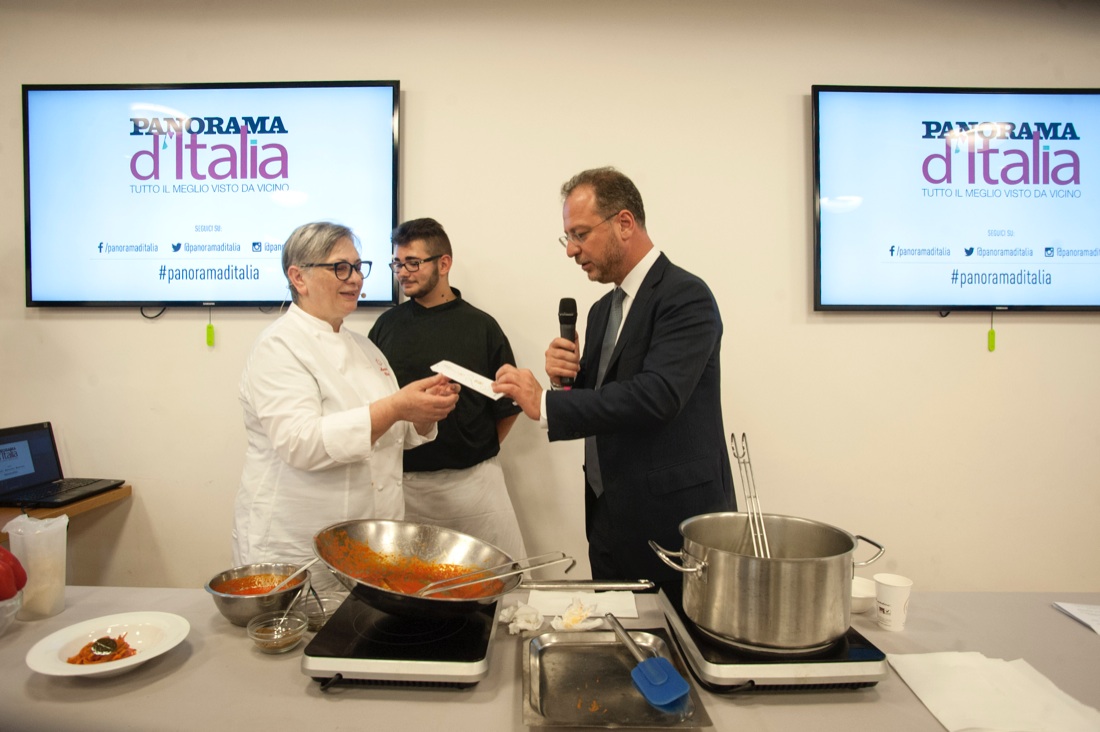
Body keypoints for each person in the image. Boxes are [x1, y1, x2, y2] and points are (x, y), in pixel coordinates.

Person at [493, 167, 735, 589]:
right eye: (567, 237)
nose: (571, 249)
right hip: (608, 515)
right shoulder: (603, 309)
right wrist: (564, 381)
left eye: (580, 234)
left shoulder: (685, 296)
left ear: (624, 223)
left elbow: (658, 395)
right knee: (620, 639)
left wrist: (548, 405)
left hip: (673, 521)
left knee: (675, 647)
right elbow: (604, 402)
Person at [233, 221, 459, 589]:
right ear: (299, 277)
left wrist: (421, 414)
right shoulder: (279, 347)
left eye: (357, 267)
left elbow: (390, 430)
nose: (354, 278)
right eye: (340, 267)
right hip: (297, 541)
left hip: (370, 543)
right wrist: (398, 407)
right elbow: (300, 443)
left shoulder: (364, 347)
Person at [368, 218, 527, 559]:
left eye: (413, 262)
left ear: (444, 263)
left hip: (474, 487)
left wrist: (472, 449)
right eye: (398, 263)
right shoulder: (385, 327)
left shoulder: (482, 327)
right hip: (404, 486)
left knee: (499, 589)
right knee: (410, 594)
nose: (403, 272)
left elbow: (508, 406)